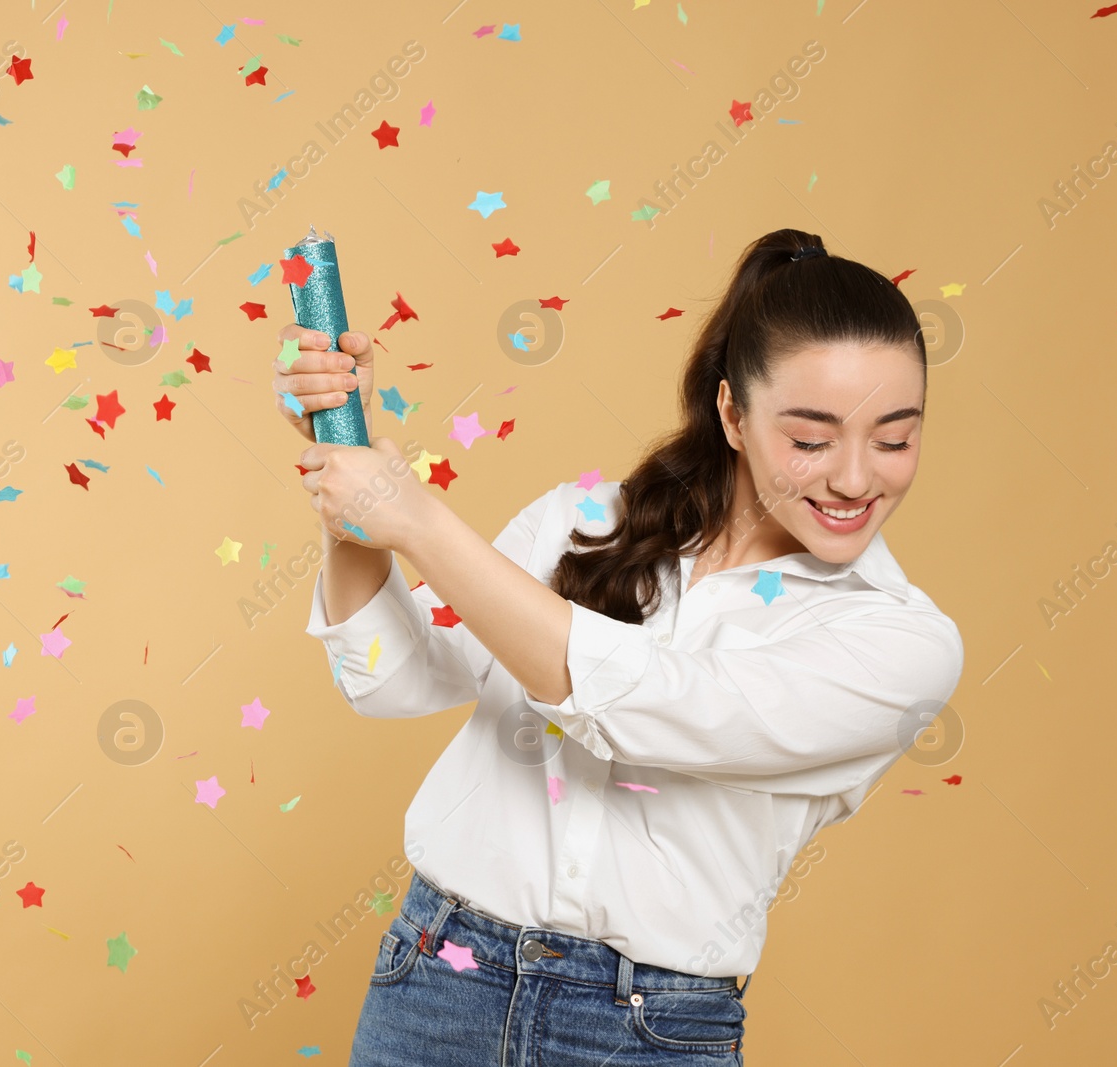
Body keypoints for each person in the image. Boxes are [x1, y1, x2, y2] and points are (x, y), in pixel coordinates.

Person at [272, 228, 964, 1065]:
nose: (857, 478)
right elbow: (387, 677)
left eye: (895, 438)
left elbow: (657, 708)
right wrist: (346, 482)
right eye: (811, 439)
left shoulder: (901, 644)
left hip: (646, 1033)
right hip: (437, 982)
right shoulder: (584, 521)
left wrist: (415, 518)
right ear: (732, 414)